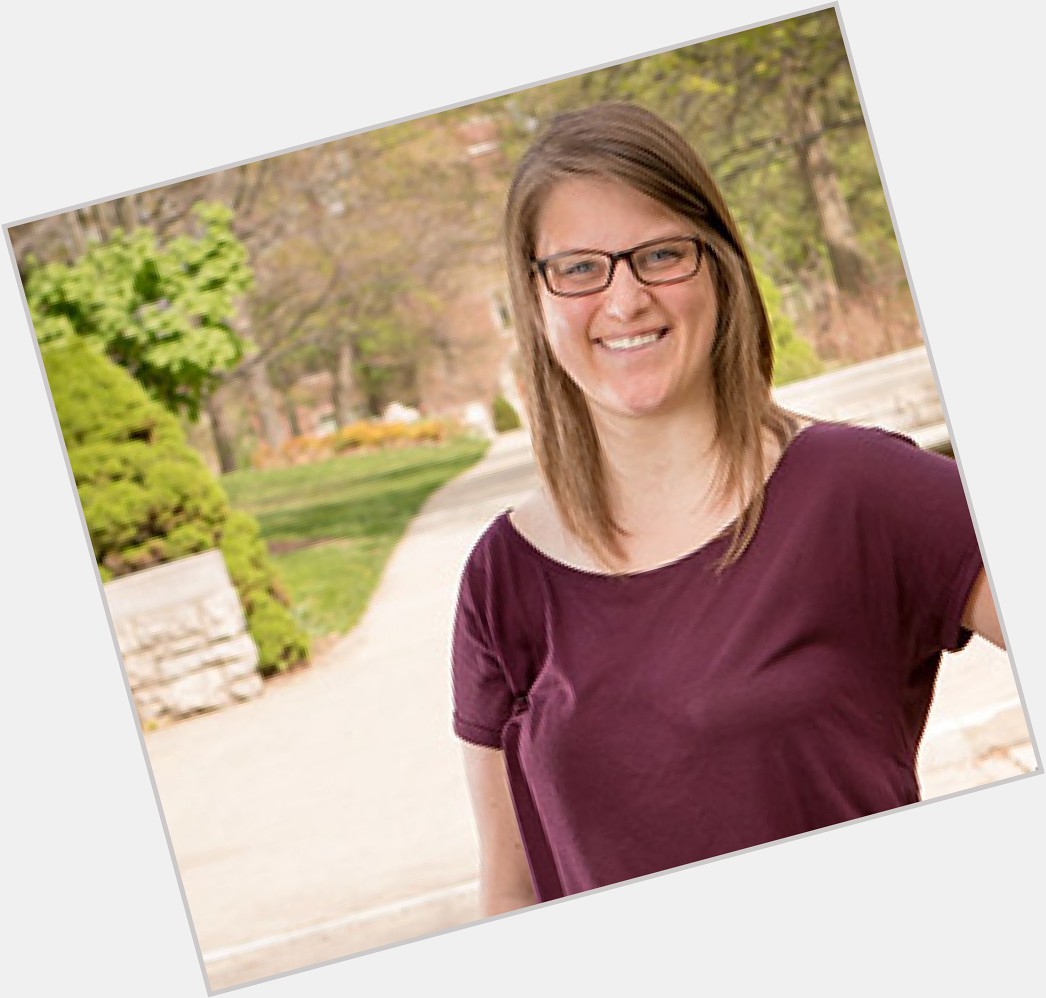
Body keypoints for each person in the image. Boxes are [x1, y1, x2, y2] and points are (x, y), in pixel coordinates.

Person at [450, 102, 1003, 917]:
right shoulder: (502, 577)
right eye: (578, 268)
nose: (625, 298)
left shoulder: (861, 489)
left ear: (719, 266)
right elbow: (512, 892)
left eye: (662, 254)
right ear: (535, 299)